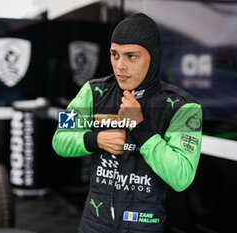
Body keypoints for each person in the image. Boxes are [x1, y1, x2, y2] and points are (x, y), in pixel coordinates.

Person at [52, 13, 202, 233]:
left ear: (153, 57)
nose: (120, 65)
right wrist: (95, 139)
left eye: (132, 56)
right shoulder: (92, 91)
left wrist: (141, 129)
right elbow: (59, 139)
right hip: (93, 224)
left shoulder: (184, 107)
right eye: (114, 54)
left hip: (144, 226)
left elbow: (181, 177)